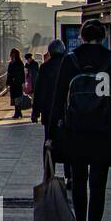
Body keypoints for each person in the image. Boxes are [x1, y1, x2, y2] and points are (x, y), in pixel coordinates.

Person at [47, 20, 111, 221]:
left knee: (80, 183)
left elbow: (58, 98)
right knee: (98, 185)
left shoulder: (70, 60)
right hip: (103, 132)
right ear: (103, 37)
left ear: (81, 37)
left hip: (76, 132)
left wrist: (52, 132)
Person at [33, 39, 68, 182]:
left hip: (49, 112)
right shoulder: (68, 65)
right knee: (68, 142)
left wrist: (35, 112)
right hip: (66, 112)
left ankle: (48, 174)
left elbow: (39, 90)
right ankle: (70, 175)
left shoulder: (45, 68)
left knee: (49, 142)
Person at [5, 48, 26, 118]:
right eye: (12, 54)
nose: (13, 56)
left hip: (18, 83)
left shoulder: (20, 63)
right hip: (12, 84)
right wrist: (8, 82)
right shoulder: (11, 63)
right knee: (14, 98)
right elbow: (9, 73)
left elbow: (22, 73)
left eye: (14, 54)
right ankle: (18, 112)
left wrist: (23, 82)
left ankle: (17, 113)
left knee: (18, 98)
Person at [24, 52, 41, 122]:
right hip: (30, 85)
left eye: (28, 59)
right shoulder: (27, 65)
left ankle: (34, 114)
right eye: (27, 60)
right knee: (32, 100)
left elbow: (36, 73)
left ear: (30, 58)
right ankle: (34, 114)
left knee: (34, 100)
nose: (27, 61)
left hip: (34, 84)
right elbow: (26, 74)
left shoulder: (35, 64)